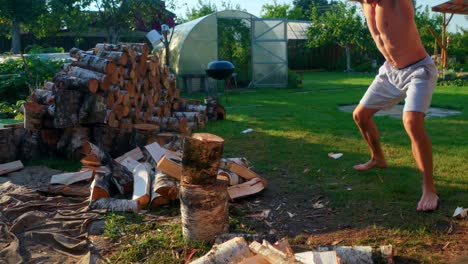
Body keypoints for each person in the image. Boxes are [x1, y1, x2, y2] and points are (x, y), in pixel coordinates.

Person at [350, 0, 439, 211]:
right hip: (390, 71)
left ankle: (429, 188)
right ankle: (377, 158)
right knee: (360, 116)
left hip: (418, 71)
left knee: (411, 122)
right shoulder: (364, 3)